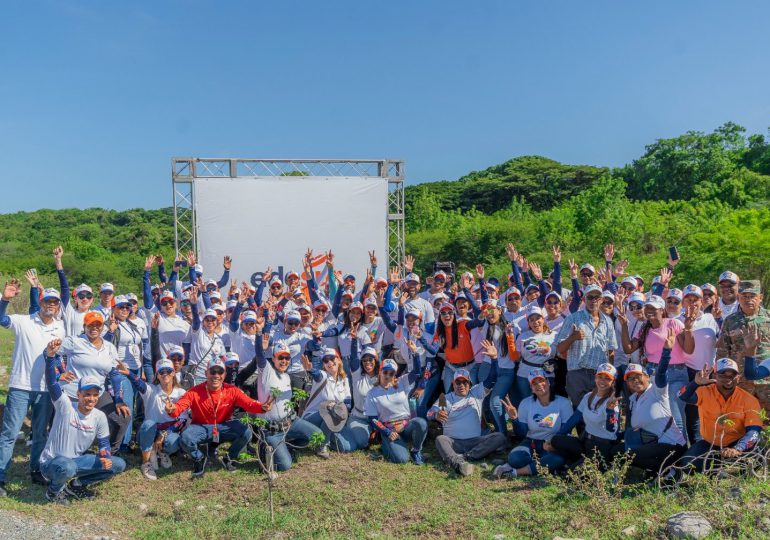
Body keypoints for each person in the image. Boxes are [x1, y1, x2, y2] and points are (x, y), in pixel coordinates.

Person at [40, 339, 126, 505]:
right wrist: (51, 358)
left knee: (118, 464)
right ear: (78, 394)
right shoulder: (65, 406)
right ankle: (53, 491)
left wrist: (106, 456)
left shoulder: (99, 416)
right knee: (68, 467)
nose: (91, 398)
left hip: (75, 462)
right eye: (87, 394)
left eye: (95, 395)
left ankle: (76, 484)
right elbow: (51, 383)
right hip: (52, 463)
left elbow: (103, 444)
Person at [0, 280, 66, 494]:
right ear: (41, 301)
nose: (51, 305)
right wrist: (5, 299)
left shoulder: (60, 327)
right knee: (10, 433)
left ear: (58, 306)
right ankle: (1, 475)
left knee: (40, 434)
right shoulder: (24, 321)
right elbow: (2, 319)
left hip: (46, 389)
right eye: (47, 300)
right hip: (21, 386)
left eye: (55, 302)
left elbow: (57, 359)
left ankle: (36, 470)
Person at [165, 356, 271, 478]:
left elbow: (249, 404)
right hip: (200, 427)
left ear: (224, 374)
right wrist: (172, 410)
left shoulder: (232, 390)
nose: (216, 375)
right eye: (213, 371)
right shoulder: (194, 392)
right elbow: (179, 407)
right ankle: (199, 458)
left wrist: (262, 407)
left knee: (246, 431)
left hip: (222, 427)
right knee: (185, 438)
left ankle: (228, 458)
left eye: (220, 372)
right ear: (206, 373)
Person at [239, 335, 326, 471]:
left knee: (317, 435)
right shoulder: (266, 371)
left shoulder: (286, 376)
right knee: (285, 465)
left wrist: (309, 370)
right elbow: (259, 355)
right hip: (273, 430)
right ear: (273, 358)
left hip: (291, 423)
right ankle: (265, 447)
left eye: (287, 358)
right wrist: (259, 333)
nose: (284, 361)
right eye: (280, 357)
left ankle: (287, 446)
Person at [616, 294, 696, 439]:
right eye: (647, 308)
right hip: (652, 375)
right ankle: (664, 448)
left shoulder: (673, 323)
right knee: (658, 414)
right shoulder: (644, 329)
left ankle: (680, 452)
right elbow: (628, 348)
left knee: (674, 413)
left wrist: (689, 329)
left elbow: (689, 350)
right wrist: (624, 326)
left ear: (662, 310)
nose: (649, 311)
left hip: (676, 374)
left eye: (653, 308)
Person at [611, 330, 687, 477]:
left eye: (638, 376)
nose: (635, 381)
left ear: (646, 376)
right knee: (617, 451)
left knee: (630, 455)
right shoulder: (633, 400)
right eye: (630, 379)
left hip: (673, 446)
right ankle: (657, 471)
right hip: (653, 444)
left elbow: (660, 374)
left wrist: (666, 351)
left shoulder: (657, 391)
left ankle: (671, 472)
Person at [427, 340, 505, 476]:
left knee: (499, 437)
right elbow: (430, 413)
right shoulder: (445, 398)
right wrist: (435, 415)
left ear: (469, 383)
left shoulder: (477, 392)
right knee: (440, 440)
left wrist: (494, 358)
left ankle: (466, 457)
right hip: (453, 441)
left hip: (475, 441)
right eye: (458, 382)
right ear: (453, 383)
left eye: (464, 382)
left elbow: (493, 378)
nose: (461, 385)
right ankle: (457, 463)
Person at [58, 311, 131, 452]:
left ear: (103, 327)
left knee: (122, 418)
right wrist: (59, 374)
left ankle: (110, 452)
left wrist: (118, 399)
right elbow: (51, 353)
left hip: (98, 393)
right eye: (91, 325)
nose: (94, 328)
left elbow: (114, 373)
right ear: (84, 326)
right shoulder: (74, 341)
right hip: (74, 393)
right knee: (73, 427)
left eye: (98, 325)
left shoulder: (109, 347)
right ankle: (70, 452)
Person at [675, 357, 762, 475]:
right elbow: (682, 396)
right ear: (715, 376)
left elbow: (754, 431)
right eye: (722, 375)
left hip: (736, 443)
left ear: (738, 378)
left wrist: (738, 448)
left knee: (758, 455)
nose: (728, 379)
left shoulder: (749, 400)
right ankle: (715, 472)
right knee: (687, 465)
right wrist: (695, 383)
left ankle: (743, 475)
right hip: (710, 443)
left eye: (732, 375)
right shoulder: (704, 391)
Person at [493, 369, 574, 478]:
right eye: (534, 383)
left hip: (553, 443)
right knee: (515, 459)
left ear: (548, 382)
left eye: (541, 380)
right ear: (531, 388)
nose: (539, 385)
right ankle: (545, 466)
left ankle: (515, 471)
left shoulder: (563, 402)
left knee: (558, 458)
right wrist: (515, 419)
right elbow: (522, 433)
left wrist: (553, 444)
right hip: (531, 443)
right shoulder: (526, 403)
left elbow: (566, 429)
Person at [119, 359, 187, 481]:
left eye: (168, 371)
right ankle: (146, 461)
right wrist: (129, 373)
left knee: (174, 442)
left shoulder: (181, 393)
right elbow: (139, 383)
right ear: (157, 375)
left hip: (168, 431)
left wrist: (163, 435)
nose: (165, 374)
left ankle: (160, 452)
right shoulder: (151, 390)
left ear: (173, 373)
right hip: (149, 431)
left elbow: (182, 420)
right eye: (161, 372)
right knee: (148, 424)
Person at [556, 284, 618, 408]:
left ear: (601, 300)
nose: (593, 300)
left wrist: (611, 375)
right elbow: (559, 349)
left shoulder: (608, 321)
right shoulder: (572, 318)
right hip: (577, 374)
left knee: (597, 409)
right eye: (590, 297)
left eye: (596, 297)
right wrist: (572, 337)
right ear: (584, 300)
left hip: (600, 375)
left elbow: (611, 351)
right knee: (580, 412)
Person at [549, 363, 620, 469]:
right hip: (585, 441)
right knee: (556, 440)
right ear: (595, 377)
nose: (602, 381)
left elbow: (612, 429)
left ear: (613, 381)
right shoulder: (588, 396)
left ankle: (600, 463)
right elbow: (575, 418)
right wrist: (554, 438)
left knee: (573, 475)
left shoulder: (612, 402)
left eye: (607, 378)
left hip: (602, 446)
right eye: (600, 376)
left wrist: (610, 411)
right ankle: (581, 461)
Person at [716, 280, 770, 413]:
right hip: (741, 381)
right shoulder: (730, 321)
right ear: (738, 297)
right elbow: (723, 351)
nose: (748, 300)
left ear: (760, 297)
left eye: (752, 296)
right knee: (741, 418)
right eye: (744, 296)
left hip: (767, 382)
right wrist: (723, 377)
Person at [365, 358, 428, 464]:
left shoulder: (402, 382)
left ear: (394, 374)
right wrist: (387, 432)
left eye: (391, 373)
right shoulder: (372, 393)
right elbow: (372, 419)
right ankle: (386, 446)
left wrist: (415, 353)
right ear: (380, 371)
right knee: (401, 459)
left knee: (421, 422)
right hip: (390, 429)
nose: (387, 376)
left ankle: (416, 451)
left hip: (406, 426)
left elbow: (417, 372)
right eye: (385, 372)